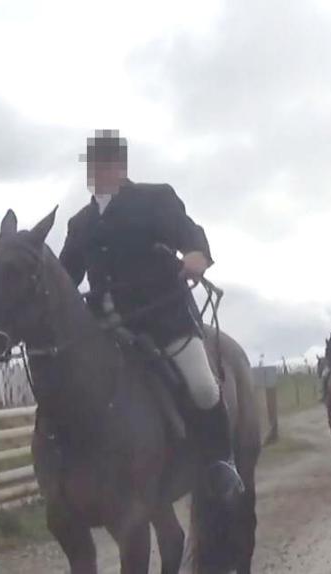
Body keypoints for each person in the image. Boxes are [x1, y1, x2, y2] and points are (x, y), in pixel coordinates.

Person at [58, 129, 243, 503]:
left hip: (163, 321)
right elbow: (65, 278)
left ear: (120, 165)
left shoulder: (154, 199)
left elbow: (190, 234)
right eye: (93, 164)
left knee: (204, 386)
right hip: (107, 331)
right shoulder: (80, 224)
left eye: (105, 163)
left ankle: (222, 463)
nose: (98, 171)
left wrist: (196, 255)